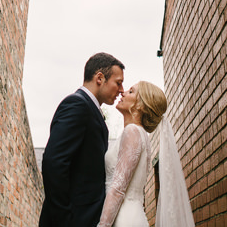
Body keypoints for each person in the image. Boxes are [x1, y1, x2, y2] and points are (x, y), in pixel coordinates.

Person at [39, 53, 125, 227]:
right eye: (118, 82)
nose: (122, 89)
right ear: (100, 78)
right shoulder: (77, 105)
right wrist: (64, 219)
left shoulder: (90, 109)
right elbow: (54, 162)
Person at [96, 81, 195, 227]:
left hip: (123, 219)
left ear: (140, 106)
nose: (123, 93)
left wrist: (103, 225)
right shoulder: (137, 134)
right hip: (129, 215)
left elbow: (118, 189)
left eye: (131, 91)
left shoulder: (132, 132)